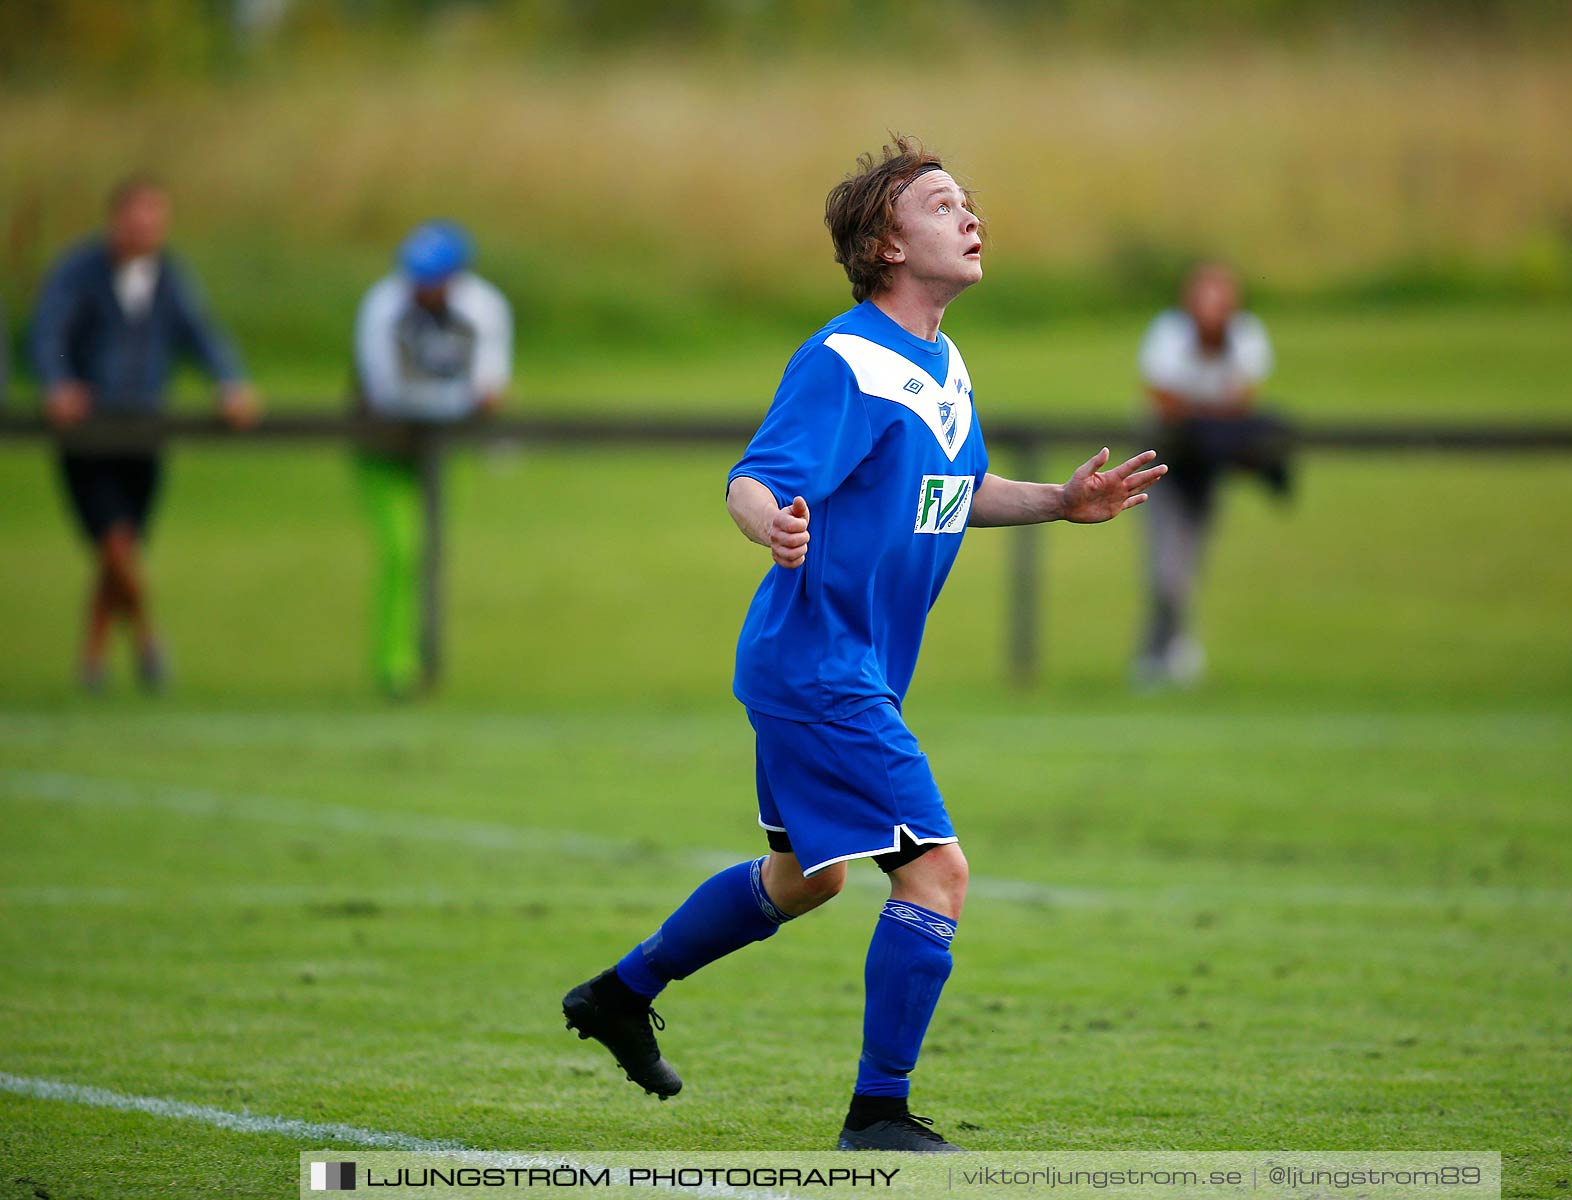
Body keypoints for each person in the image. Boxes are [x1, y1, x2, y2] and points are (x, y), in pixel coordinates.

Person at [561, 138, 1166, 1152]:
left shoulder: (942, 362)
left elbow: (956, 491)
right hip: (822, 667)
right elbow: (753, 476)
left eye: (969, 201)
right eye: (941, 205)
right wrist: (771, 525)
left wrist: (1060, 501)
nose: (969, 216)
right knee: (938, 875)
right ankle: (877, 1115)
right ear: (887, 243)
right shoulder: (846, 359)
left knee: (811, 878)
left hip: (835, 667)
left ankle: (620, 994)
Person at [31, 173, 258, 693]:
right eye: (136, 216)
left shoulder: (169, 277)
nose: (145, 227)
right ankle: (150, 639)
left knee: (123, 546)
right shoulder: (78, 273)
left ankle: (92, 659)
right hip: (89, 431)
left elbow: (202, 334)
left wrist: (230, 382)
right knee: (114, 542)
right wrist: (58, 383)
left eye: (155, 217)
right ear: (116, 219)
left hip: (146, 428)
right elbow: (47, 333)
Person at [351, 220, 511, 698]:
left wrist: (472, 407)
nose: (425, 288)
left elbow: (490, 386)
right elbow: (387, 392)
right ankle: (394, 664)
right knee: (402, 548)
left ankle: (417, 657)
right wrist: (463, 404)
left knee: (428, 551)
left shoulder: (484, 309)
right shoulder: (382, 307)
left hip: (441, 453)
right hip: (383, 448)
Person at [1134, 262, 1288, 688]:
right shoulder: (1168, 335)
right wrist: (1211, 418)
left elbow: (1242, 401)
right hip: (1160, 465)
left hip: (1206, 466)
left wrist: (1203, 419)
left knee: (1187, 567)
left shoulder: (1247, 337)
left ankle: (1169, 649)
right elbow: (1165, 403)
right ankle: (1160, 654)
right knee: (1165, 569)